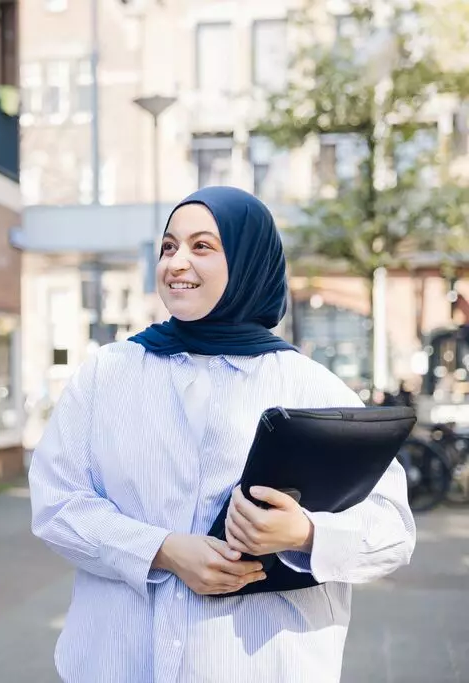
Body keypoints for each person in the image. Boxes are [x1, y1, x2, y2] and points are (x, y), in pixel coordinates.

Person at [28, 186, 415, 683]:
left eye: (202, 247)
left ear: (249, 262)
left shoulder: (311, 386)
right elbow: (57, 503)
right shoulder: (107, 374)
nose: (176, 262)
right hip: (118, 662)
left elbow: (393, 530)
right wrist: (162, 549)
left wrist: (303, 534)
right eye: (169, 246)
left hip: (262, 665)